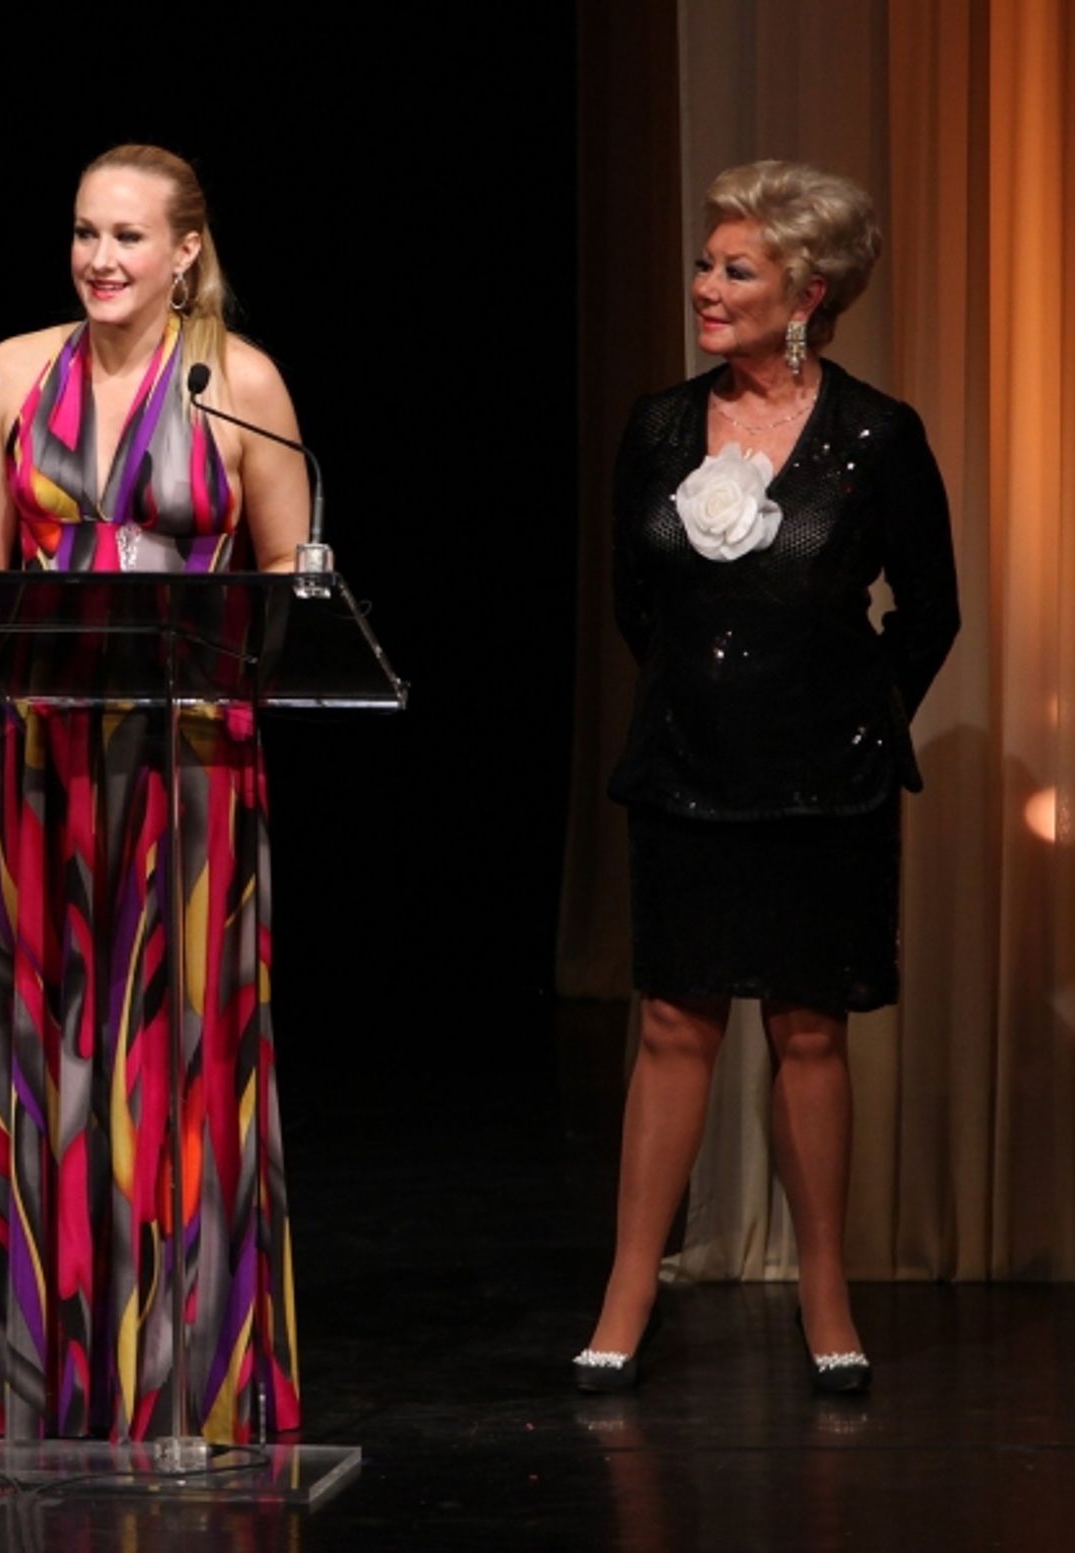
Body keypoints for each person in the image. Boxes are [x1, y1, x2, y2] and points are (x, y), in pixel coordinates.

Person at [0, 143, 308, 1442]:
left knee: (170, 1072)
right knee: (38, 1067)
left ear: (185, 251)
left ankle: (182, 1387)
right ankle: (26, 1386)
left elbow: (291, 584)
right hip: (37, 762)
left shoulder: (240, 384)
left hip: (185, 774)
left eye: (130, 238)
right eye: (87, 232)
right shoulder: (10, 374)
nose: (102, 258)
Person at [576, 160, 959, 1395]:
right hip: (685, 765)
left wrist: (846, 712)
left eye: (733, 269)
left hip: (823, 780)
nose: (703, 285)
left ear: (808, 290)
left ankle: (826, 1293)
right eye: (704, 262)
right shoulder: (656, 424)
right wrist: (706, 695)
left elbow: (932, 612)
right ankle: (627, 1293)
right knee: (672, 1021)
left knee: (806, 1029)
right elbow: (634, 600)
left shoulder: (875, 436)